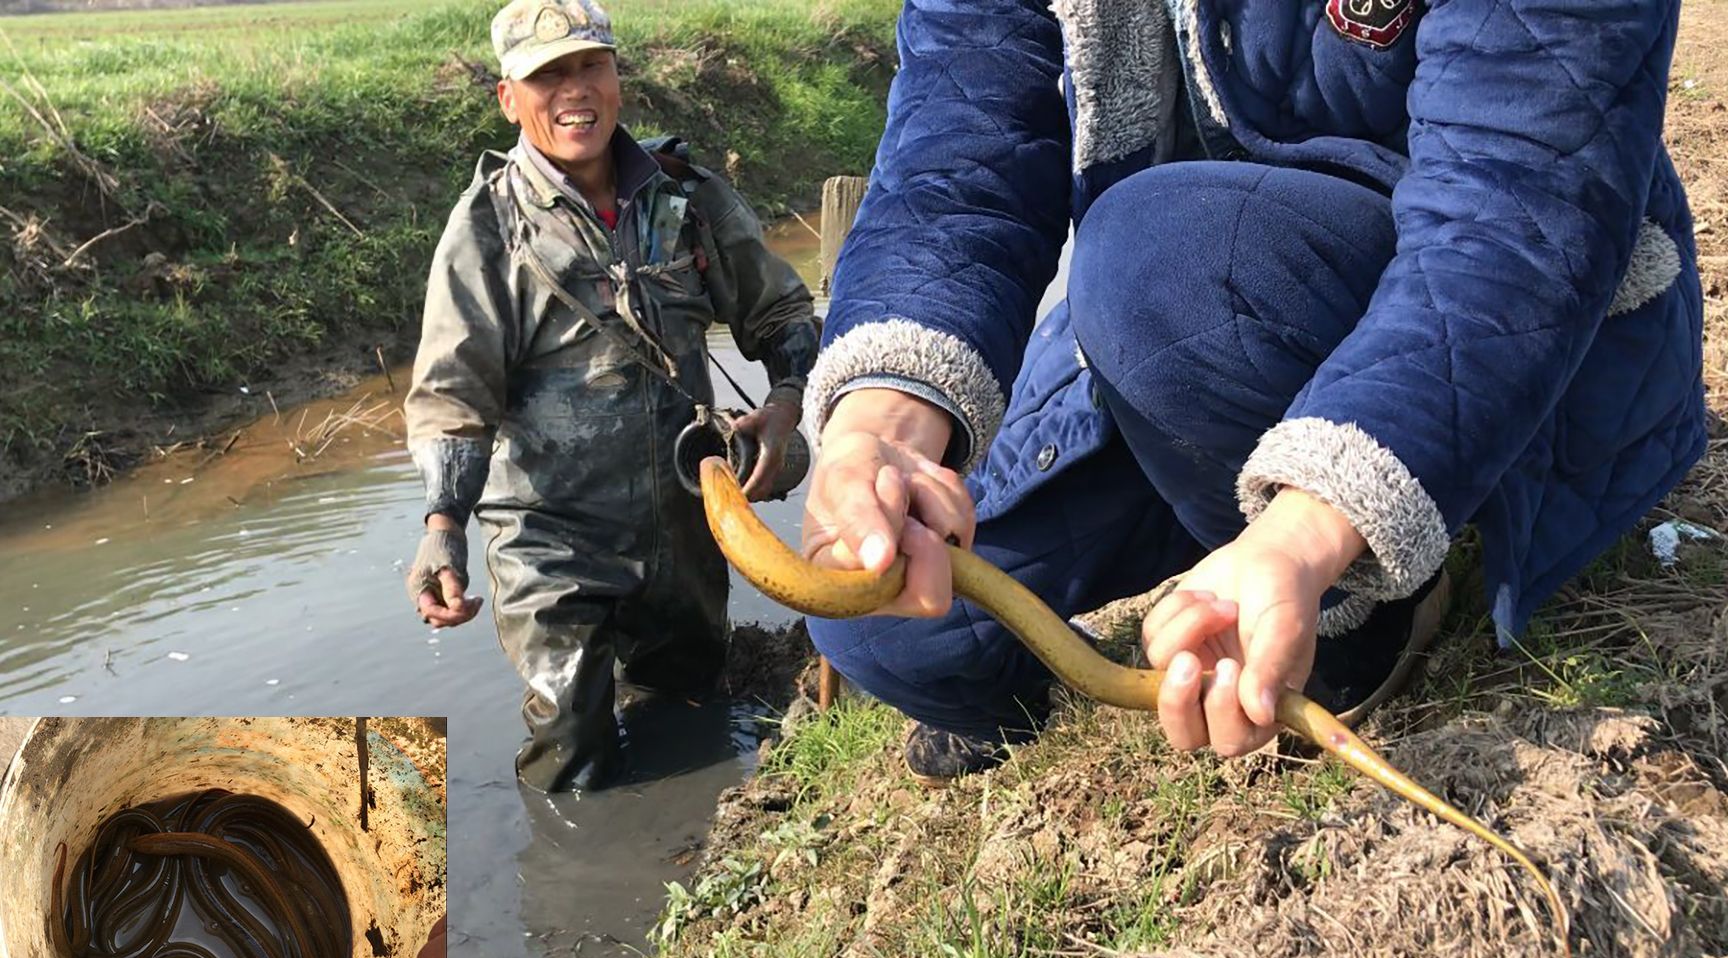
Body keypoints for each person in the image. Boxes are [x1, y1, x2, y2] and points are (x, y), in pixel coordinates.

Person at [800, 1, 1705, 785]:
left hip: (1479, 332)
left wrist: (1311, 531)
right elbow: (959, 169)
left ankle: (1365, 605)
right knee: (878, 620)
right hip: (1182, 336)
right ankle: (1177, 585)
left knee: (1158, 258)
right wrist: (883, 426)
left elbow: (1516, 217)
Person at [403, 0, 819, 793]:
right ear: (509, 98)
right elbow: (453, 398)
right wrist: (442, 526)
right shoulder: (488, 229)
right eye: (548, 76)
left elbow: (781, 313)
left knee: (688, 705)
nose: (574, 91)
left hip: (682, 520)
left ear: (617, 77)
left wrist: (788, 402)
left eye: (590, 66)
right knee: (571, 749)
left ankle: (687, 852)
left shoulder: (687, 198)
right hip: (550, 536)